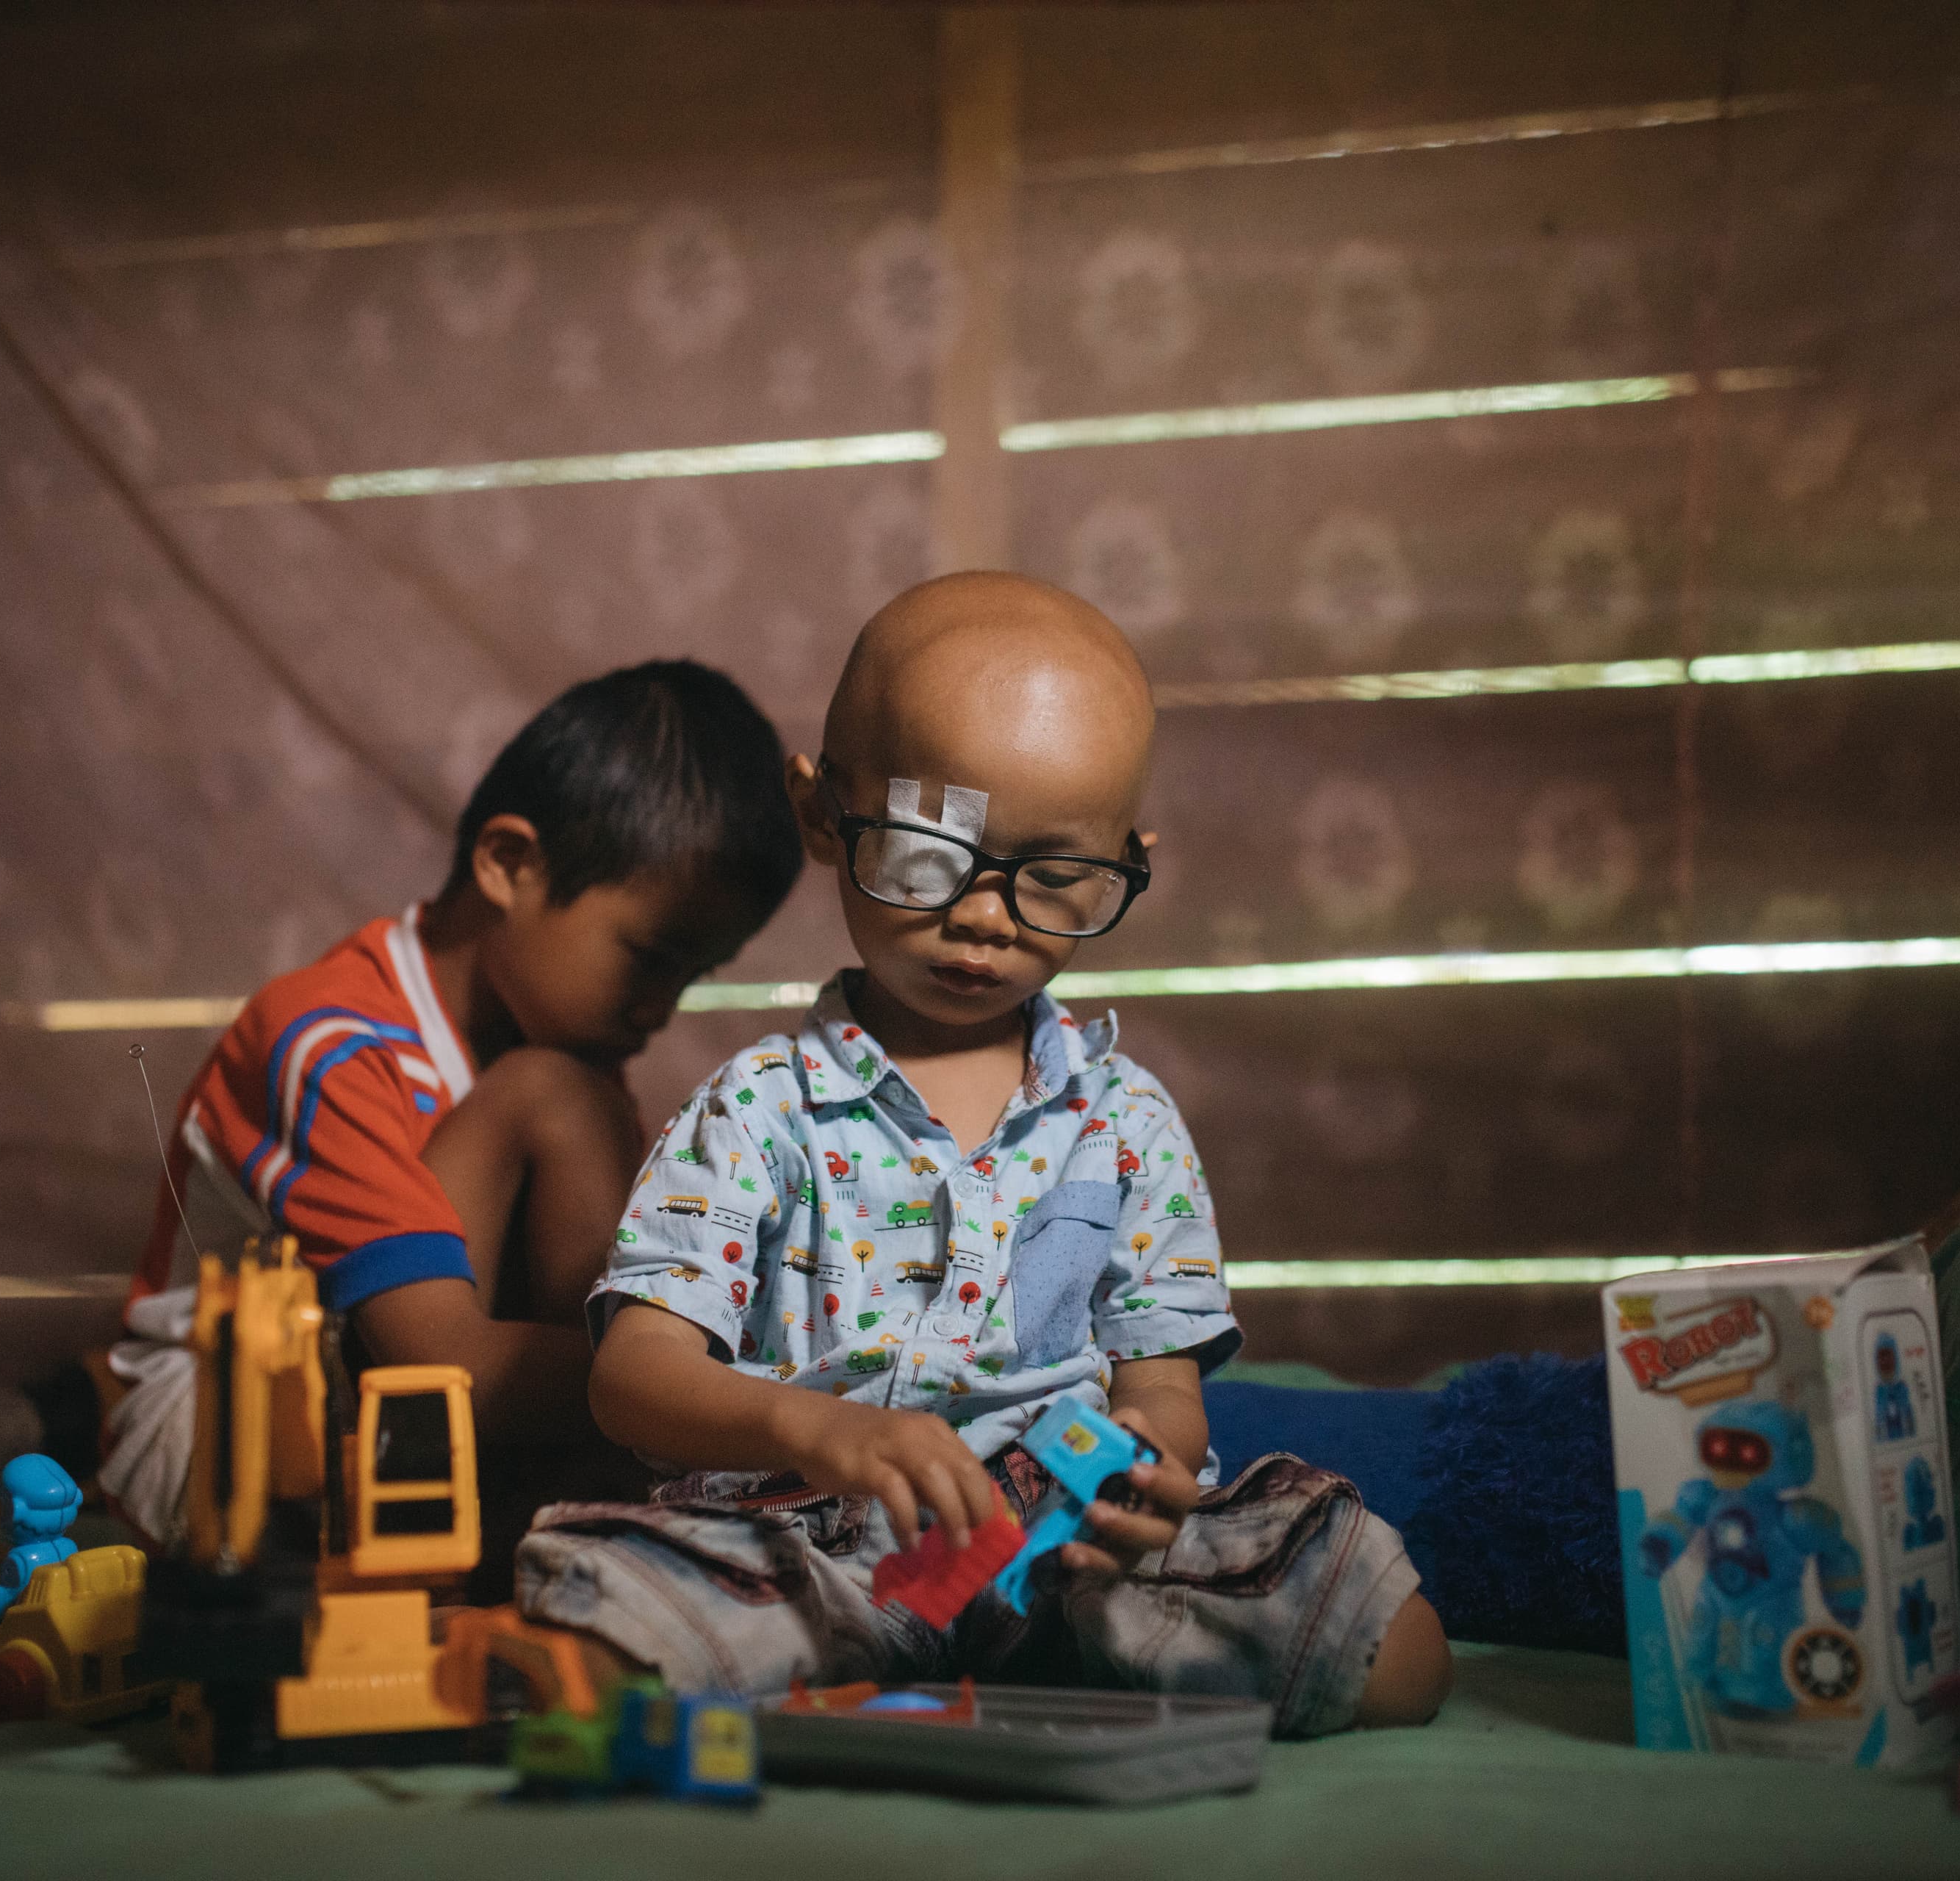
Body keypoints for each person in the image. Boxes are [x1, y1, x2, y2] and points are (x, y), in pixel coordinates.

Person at [517, 575, 1452, 1736]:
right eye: (927, 855)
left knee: (1392, 1648)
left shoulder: (1126, 1120)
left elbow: (1161, 1382)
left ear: (1126, 861)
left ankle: (1052, 1642)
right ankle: (898, 1649)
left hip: (1063, 1542)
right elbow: (634, 1377)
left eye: (1055, 879)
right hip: (816, 1536)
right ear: (822, 814)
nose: (986, 917)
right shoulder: (758, 1108)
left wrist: (1148, 1464)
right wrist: (822, 1431)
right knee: (589, 1641)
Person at [96, 661, 801, 1548]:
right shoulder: (326, 1039)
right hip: (215, 1439)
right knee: (557, 1101)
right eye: (650, 958)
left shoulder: (577, 1054)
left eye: (693, 975)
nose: (660, 1009)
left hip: (390, 1424)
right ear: (510, 864)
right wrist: (729, 1384)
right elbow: (441, 1360)